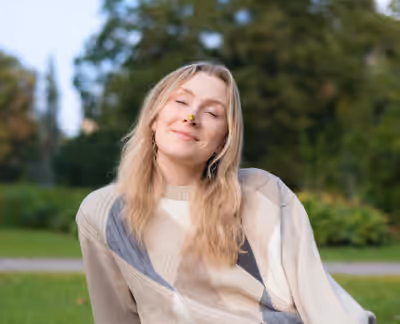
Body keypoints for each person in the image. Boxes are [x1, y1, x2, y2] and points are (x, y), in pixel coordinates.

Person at [76, 62, 376, 324]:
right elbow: (115, 316)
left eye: (211, 112)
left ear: (222, 141)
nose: (191, 117)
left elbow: (317, 296)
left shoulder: (263, 192)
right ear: (154, 117)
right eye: (181, 102)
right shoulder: (103, 212)